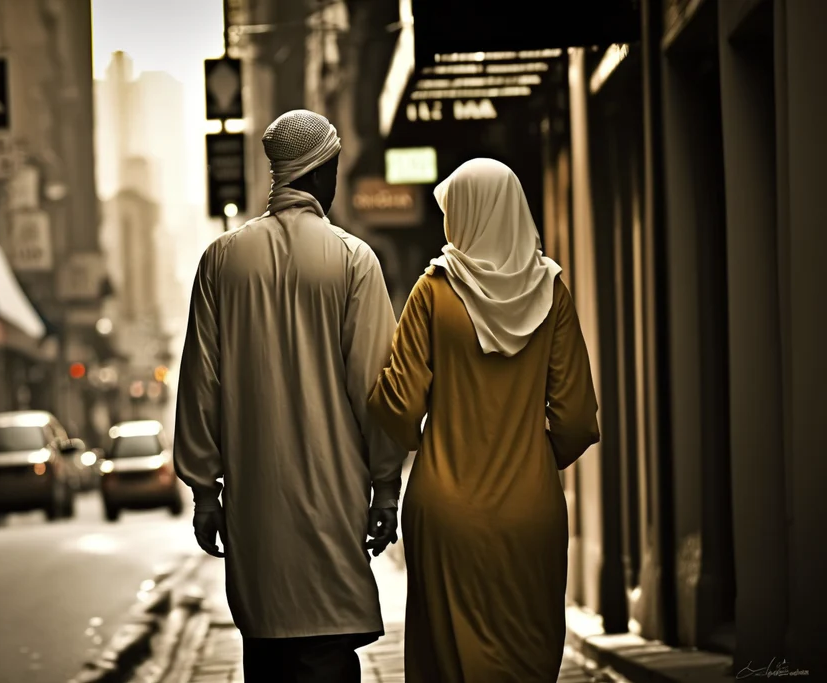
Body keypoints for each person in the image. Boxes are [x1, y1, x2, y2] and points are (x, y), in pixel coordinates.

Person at [174, 109, 408, 683]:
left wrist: (205, 493)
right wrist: (384, 487)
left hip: (256, 516)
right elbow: (376, 388)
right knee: (327, 654)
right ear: (321, 168)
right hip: (334, 509)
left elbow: (200, 387)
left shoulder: (222, 261)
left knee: (268, 658)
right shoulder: (354, 261)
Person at [368, 158, 601, 682]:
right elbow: (578, 418)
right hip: (531, 511)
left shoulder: (432, 291)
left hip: (447, 512)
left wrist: (427, 440)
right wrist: (533, 461)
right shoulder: (553, 292)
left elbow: (398, 406)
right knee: (526, 658)